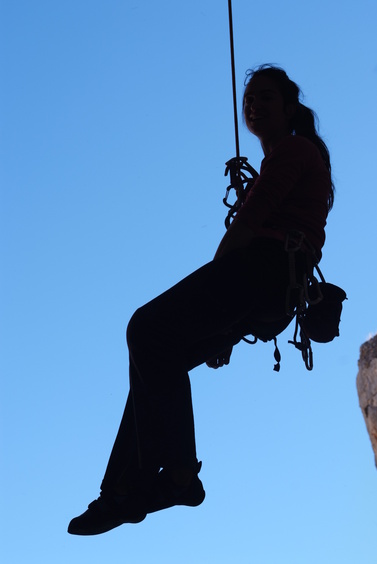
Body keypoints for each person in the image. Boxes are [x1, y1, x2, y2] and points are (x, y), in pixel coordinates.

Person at [68, 65, 334, 535]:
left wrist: (220, 277)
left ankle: (178, 474)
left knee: (146, 329)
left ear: (290, 107)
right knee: (153, 367)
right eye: (249, 98)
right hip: (269, 289)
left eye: (265, 96)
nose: (253, 104)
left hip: (263, 269)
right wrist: (222, 327)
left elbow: (247, 225)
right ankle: (119, 493)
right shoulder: (296, 155)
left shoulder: (295, 149)